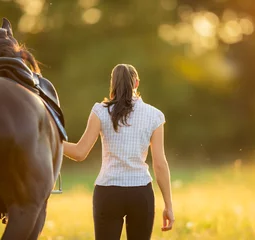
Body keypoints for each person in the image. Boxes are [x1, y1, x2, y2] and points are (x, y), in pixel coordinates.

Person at [63, 64, 175, 240]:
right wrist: (168, 205)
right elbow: (160, 164)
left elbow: (79, 152)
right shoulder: (155, 115)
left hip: (108, 192)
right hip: (141, 193)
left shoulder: (100, 111)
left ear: (113, 84)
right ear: (136, 83)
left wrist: (51, 141)